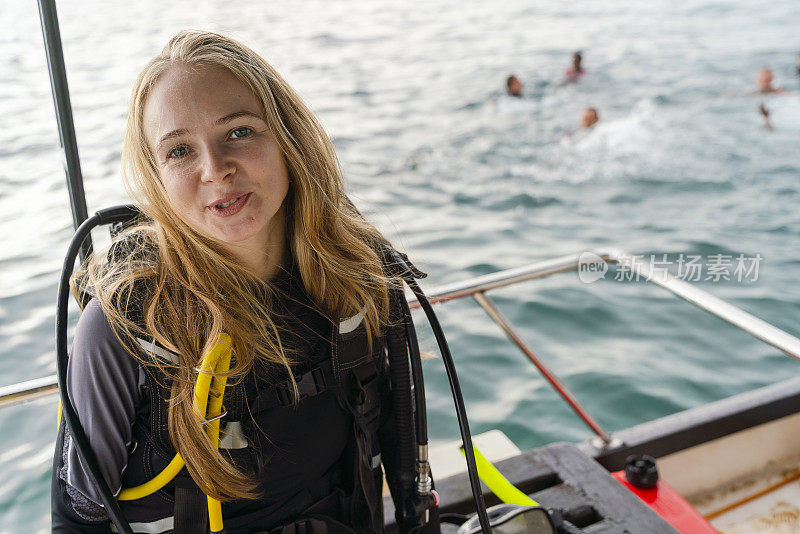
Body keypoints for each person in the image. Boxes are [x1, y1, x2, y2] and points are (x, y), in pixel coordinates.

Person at [51, 31, 439, 534]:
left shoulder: (358, 278)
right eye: (180, 152)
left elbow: (401, 457)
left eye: (239, 132)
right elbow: (77, 523)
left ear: (287, 137)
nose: (216, 170)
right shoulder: (122, 331)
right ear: (156, 177)